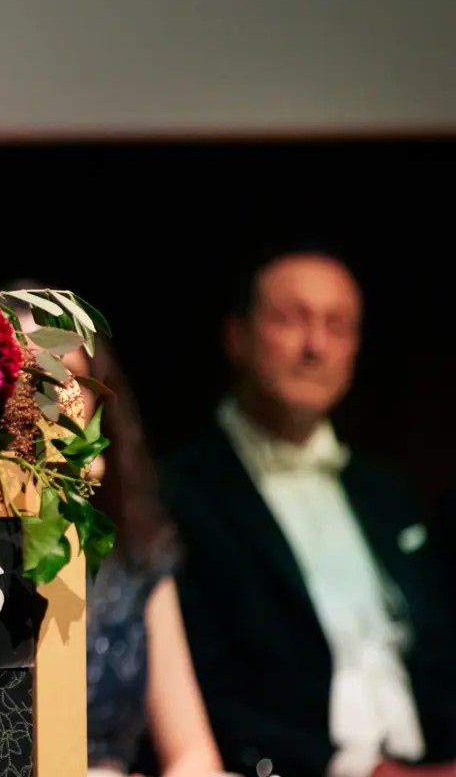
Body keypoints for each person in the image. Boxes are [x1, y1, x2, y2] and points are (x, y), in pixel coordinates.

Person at [160, 248, 456, 777]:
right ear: (236, 337)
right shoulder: (179, 491)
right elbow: (204, 689)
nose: (315, 346)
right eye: (290, 319)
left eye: (337, 326)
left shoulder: (388, 493)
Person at [4, 291, 226, 777]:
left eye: (65, 377)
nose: (49, 399)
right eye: (26, 377)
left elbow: (191, 752)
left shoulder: (133, 554)